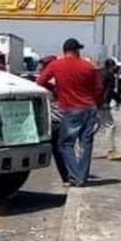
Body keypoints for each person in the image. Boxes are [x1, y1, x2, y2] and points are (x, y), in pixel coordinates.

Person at [37, 38, 103, 186]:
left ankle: (76, 175)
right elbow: (98, 89)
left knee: (66, 144)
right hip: (89, 108)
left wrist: (56, 89)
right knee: (86, 144)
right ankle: (82, 176)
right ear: (76, 51)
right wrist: (96, 105)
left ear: (64, 51)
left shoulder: (56, 65)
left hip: (71, 109)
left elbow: (40, 82)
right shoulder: (89, 67)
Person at [38, 56, 68, 184]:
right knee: (62, 149)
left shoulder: (49, 82)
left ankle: (67, 176)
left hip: (56, 120)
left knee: (59, 149)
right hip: (61, 119)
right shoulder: (56, 79)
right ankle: (68, 175)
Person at [98, 58, 120, 159]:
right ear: (112, 66)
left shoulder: (99, 73)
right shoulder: (109, 75)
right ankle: (110, 149)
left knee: (96, 126)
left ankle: (81, 146)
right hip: (103, 104)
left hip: (94, 103)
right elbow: (108, 90)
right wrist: (106, 102)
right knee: (110, 126)